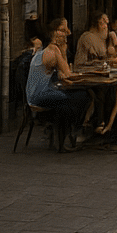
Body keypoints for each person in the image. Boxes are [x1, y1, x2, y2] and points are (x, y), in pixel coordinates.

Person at [24, 17, 90, 151]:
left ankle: (64, 133)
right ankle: (68, 135)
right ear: (54, 33)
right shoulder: (52, 52)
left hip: (37, 93)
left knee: (78, 95)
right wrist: (64, 50)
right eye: (63, 30)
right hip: (39, 96)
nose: (68, 33)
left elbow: (62, 75)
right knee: (81, 97)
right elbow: (67, 73)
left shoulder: (48, 49)